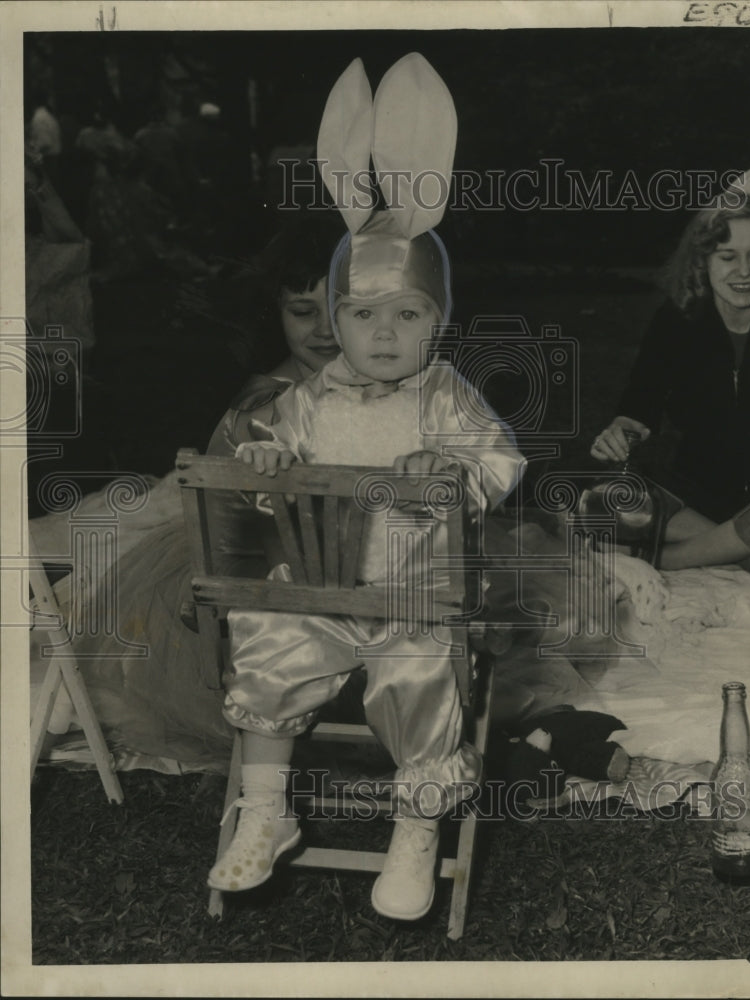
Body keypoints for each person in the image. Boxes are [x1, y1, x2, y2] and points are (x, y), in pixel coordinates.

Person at [206, 53, 526, 922]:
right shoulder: (306, 397)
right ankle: (266, 812)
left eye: (407, 316)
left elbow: (502, 462)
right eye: (360, 314)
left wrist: (452, 470)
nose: (382, 335)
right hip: (324, 589)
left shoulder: (444, 395)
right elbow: (270, 457)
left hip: (419, 595)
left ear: (438, 320)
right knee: (265, 629)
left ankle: (414, 829)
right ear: (335, 318)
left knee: (417, 672)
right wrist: (268, 462)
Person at [30, 214, 344, 765]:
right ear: (276, 312)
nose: (325, 330)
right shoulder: (265, 402)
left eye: (343, 311)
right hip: (259, 563)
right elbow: (234, 522)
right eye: (303, 312)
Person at [590, 168, 750, 525]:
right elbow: (640, 405)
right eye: (728, 257)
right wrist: (619, 436)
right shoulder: (677, 320)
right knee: (604, 506)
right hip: (698, 494)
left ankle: (703, 555)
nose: (744, 271)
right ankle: (736, 553)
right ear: (702, 262)